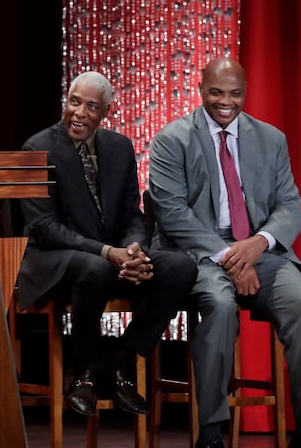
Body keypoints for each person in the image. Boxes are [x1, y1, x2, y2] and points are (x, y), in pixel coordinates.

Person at [148, 57, 301, 448]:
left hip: (259, 249)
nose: (225, 101)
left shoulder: (271, 138)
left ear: (246, 91)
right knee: (220, 306)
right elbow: (172, 215)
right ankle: (210, 433)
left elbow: (290, 207)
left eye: (235, 93)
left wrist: (258, 244)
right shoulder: (171, 139)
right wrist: (230, 256)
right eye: (216, 92)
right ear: (201, 89)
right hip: (200, 253)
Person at [17, 70, 196, 417]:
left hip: (112, 257)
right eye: (74, 102)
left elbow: (132, 213)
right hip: (58, 260)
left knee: (181, 267)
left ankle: (119, 361)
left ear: (105, 112)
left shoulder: (119, 146)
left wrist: (133, 250)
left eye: (91, 107)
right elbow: (43, 227)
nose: (79, 113)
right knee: (97, 267)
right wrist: (106, 252)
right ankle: (83, 370)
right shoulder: (37, 147)